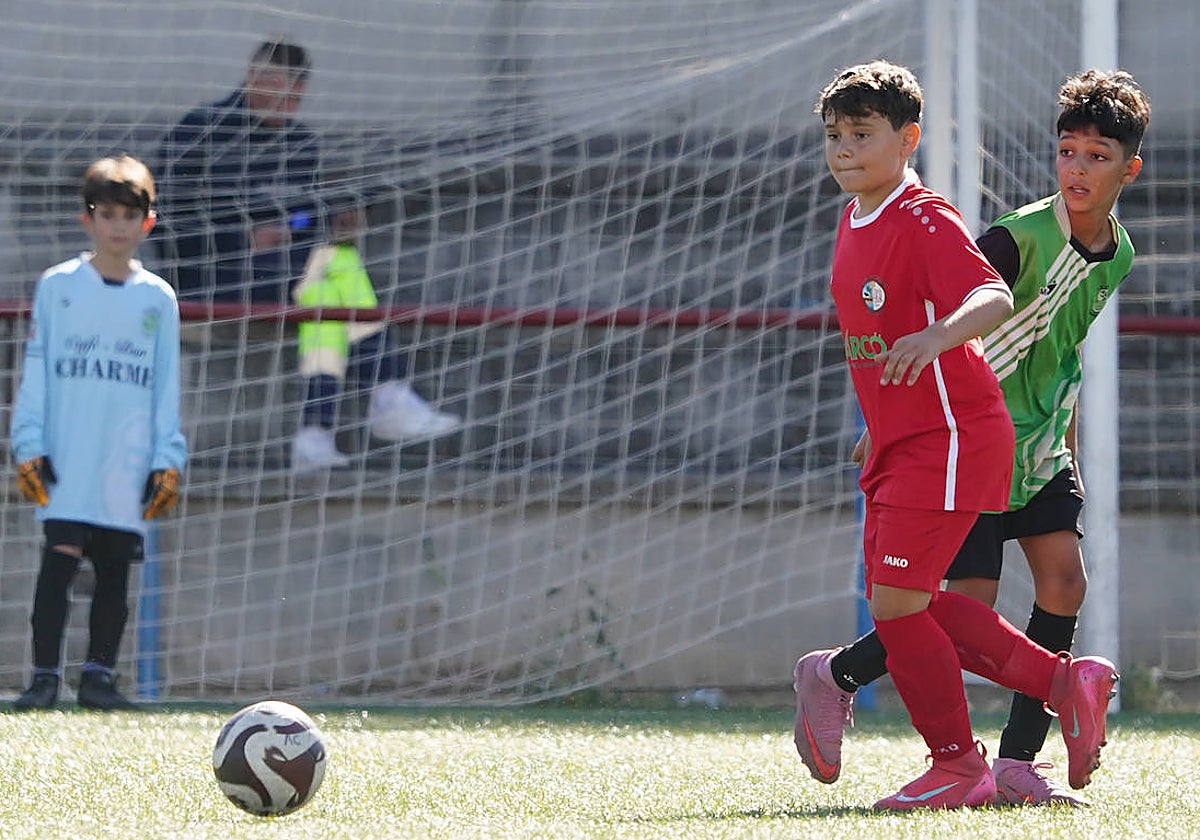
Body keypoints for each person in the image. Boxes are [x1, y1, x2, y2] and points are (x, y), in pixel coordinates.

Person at [793, 68, 1150, 808]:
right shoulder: (876, 214)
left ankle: (985, 760)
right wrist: (882, 417)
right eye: (836, 136)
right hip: (932, 431)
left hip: (970, 436)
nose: (844, 150)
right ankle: (1056, 686)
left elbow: (989, 301)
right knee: (926, 608)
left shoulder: (927, 217)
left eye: (862, 135)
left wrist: (937, 340)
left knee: (1015, 587)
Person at [9, 155, 189, 711]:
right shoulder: (59, 287)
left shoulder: (157, 299)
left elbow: (165, 386)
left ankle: (98, 679)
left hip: (126, 457)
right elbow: (35, 370)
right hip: (68, 452)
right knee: (59, 558)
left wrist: (168, 456)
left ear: (147, 223)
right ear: (87, 218)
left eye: (128, 215)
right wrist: (28, 443)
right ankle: (42, 678)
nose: (117, 226)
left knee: (115, 567)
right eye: (106, 213)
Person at [290, 194, 461, 471]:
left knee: (327, 297)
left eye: (361, 211)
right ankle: (387, 396)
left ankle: (316, 432)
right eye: (347, 209)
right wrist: (310, 223)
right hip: (258, 270)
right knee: (339, 264)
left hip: (309, 278)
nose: (355, 219)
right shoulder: (297, 210)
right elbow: (285, 223)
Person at [154, 38, 319, 304]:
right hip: (211, 284)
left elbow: (308, 212)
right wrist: (244, 240)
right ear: (252, 77)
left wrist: (292, 228)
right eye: (280, 91)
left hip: (290, 281)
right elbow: (167, 215)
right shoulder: (201, 130)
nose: (287, 105)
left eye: (295, 97)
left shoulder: (302, 145)